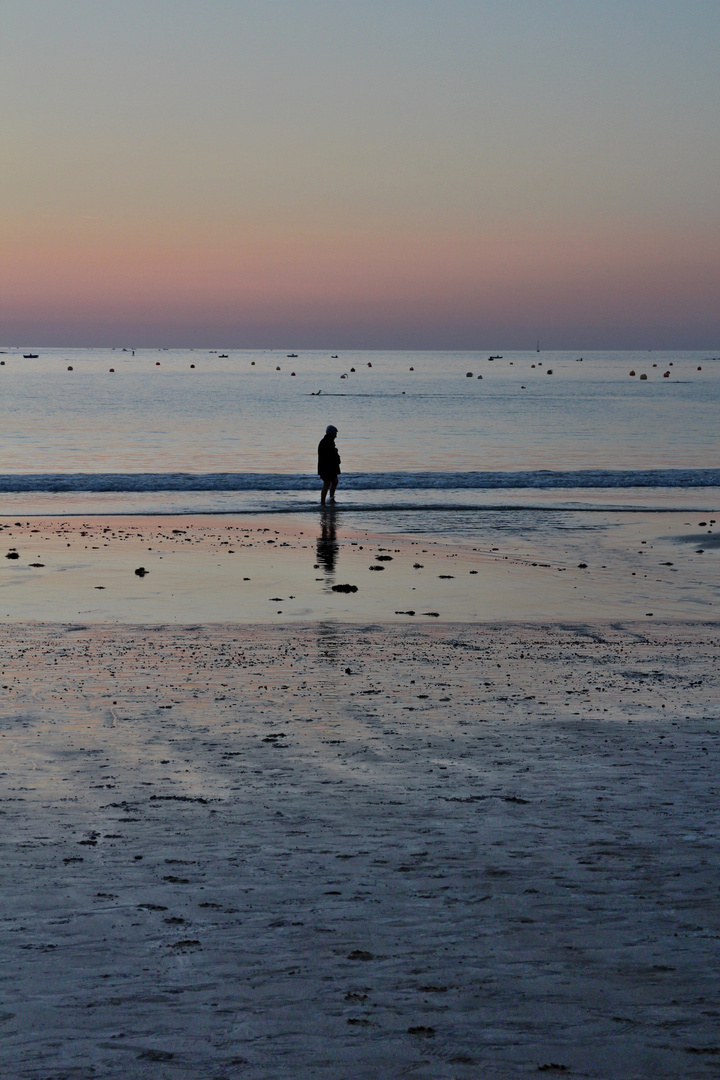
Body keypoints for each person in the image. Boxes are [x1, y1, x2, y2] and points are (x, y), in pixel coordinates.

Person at [318, 424, 340, 505]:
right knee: (327, 483)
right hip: (326, 467)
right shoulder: (326, 442)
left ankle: (331, 499)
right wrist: (335, 451)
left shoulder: (329, 441)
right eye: (335, 433)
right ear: (331, 433)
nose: (336, 435)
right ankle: (323, 502)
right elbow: (327, 455)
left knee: (334, 481)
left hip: (330, 466)